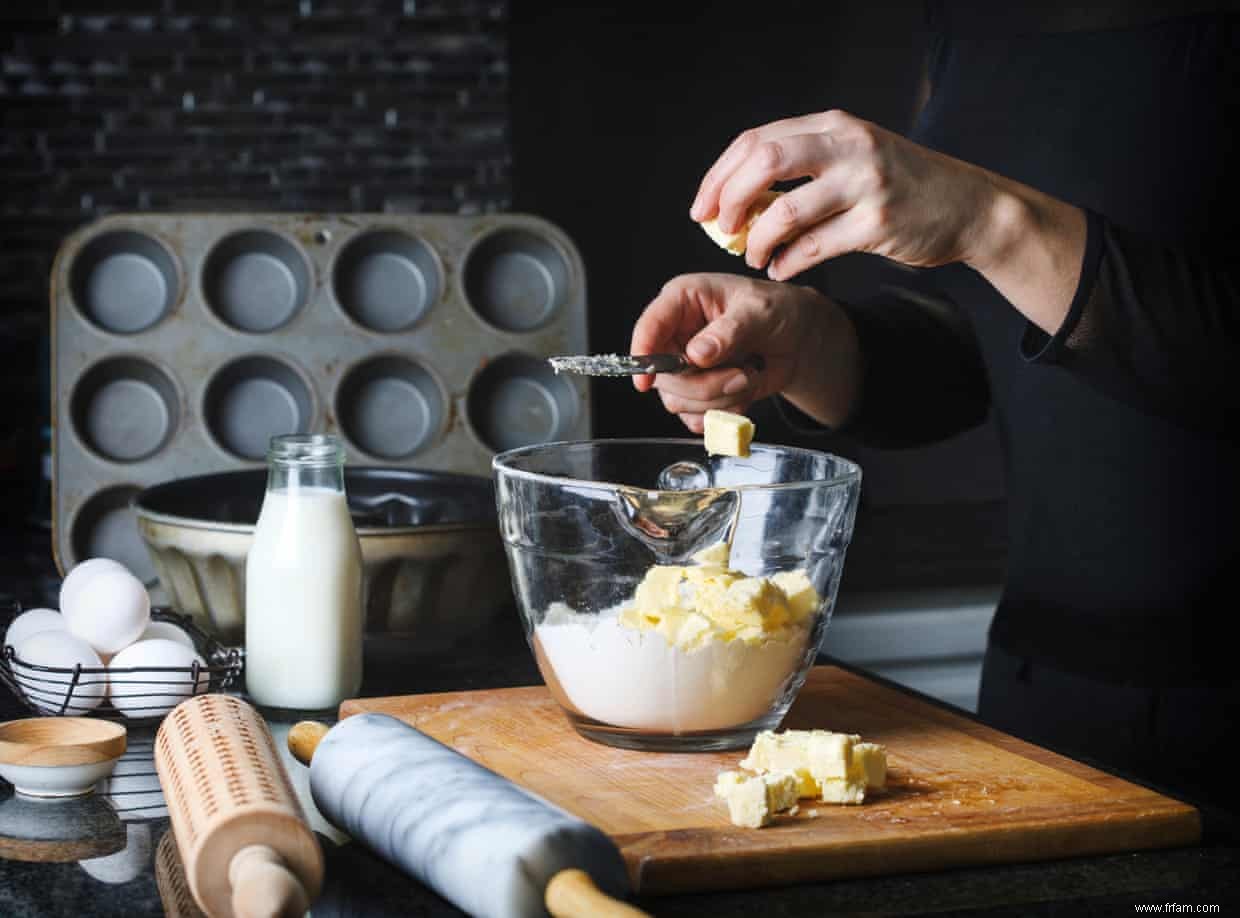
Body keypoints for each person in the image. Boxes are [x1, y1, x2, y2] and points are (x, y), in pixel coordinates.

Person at [630, 2, 1238, 818]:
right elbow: (988, 348)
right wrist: (810, 343)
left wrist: (990, 217)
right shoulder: (969, 22)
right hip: (1045, 703)